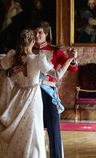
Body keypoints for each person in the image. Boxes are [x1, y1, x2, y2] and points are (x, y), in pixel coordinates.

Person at [0, 28, 75, 158]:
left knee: (20, 129)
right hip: (33, 96)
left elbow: (2, 71)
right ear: (32, 41)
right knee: (34, 129)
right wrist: (69, 59)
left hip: (17, 96)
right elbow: (57, 75)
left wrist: (12, 72)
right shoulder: (38, 58)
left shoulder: (13, 56)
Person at [32, 21, 78, 158]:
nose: (37, 35)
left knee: (53, 129)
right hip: (32, 93)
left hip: (48, 92)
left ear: (46, 34)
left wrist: (72, 58)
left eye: (40, 32)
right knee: (35, 129)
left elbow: (73, 68)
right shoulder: (28, 50)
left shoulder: (55, 51)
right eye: (35, 32)